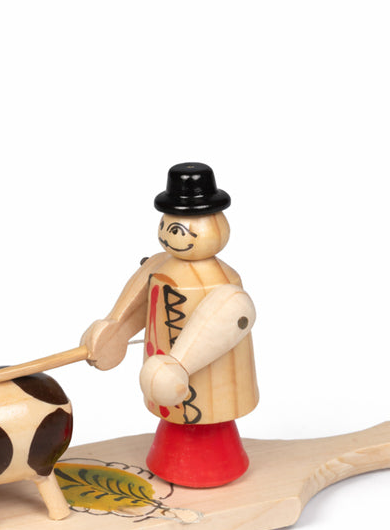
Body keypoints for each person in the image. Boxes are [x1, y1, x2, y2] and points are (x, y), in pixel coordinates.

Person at [81, 163, 258, 487]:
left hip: (205, 384)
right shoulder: (161, 267)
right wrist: (115, 330)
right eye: (169, 223)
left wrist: (178, 365)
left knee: (207, 411)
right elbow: (140, 304)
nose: (174, 232)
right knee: (174, 413)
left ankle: (217, 465)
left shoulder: (223, 279)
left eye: (187, 226)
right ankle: (170, 458)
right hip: (165, 382)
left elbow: (232, 313)